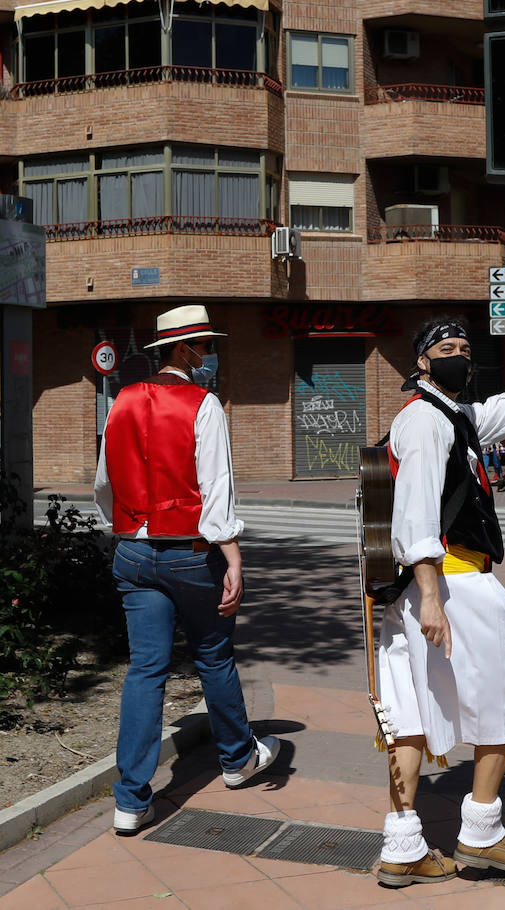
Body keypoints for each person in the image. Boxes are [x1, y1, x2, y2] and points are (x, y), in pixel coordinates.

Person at [376, 280, 505, 889]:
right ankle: (481, 831)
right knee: (501, 702)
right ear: (422, 363)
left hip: (422, 591)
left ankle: (403, 845)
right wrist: (433, 597)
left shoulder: (458, 418)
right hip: (453, 586)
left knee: (408, 717)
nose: (460, 352)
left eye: (463, 343)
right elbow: (416, 517)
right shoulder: (427, 422)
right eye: (446, 345)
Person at [94, 304, 280, 834]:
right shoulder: (205, 405)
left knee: (145, 669)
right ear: (185, 349)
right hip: (190, 552)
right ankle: (238, 759)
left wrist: (128, 527)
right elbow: (217, 487)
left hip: (133, 548)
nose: (208, 355)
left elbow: (104, 482)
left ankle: (130, 800)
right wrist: (234, 555)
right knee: (214, 655)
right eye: (204, 345)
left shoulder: (124, 399)